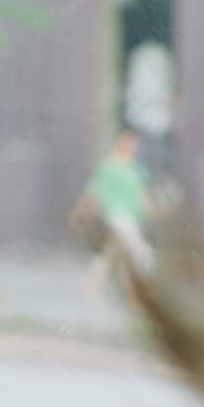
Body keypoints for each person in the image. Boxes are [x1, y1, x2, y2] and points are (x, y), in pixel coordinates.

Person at [68, 127, 154, 300]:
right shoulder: (108, 165)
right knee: (138, 251)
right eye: (128, 141)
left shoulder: (136, 169)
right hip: (115, 217)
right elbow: (94, 191)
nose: (131, 146)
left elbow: (143, 197)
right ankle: (140, 288)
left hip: (132, 217)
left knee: (111, 253)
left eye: (134, 143)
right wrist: (80, 212)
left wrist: (153, 212)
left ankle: (93, 282)